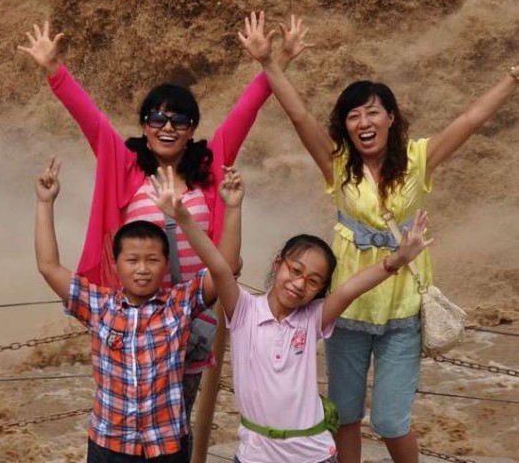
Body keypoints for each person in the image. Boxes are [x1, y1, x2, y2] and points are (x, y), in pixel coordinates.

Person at [238, 10, 519, 463]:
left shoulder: (418, 160)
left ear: (391, 117)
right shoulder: (337, 165)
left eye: (373, 111)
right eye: (353, 115)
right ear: (345, 126)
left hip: (401, 311)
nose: (363, 121)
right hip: (347, 310)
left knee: (390, 420)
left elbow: (470, 119)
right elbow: (299, 115)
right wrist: (269, 63)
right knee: (345, 414)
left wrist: (512, 78)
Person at [18, 19, 307, 420]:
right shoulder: (125, 165)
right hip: (133, 315)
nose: (167, 127)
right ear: (144, 126)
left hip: (191, 312)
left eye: (179, 121)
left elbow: (246, 111)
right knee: (127, 406)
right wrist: (54, 70)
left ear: (192, 130)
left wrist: (275, 63)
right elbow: (91, 118)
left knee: (176, 415)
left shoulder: (211, 165)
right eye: (157, 118)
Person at [152, 164, 433, 463]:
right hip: (254, 455)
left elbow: (351, 288)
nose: (300, 284)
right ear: (277, 264)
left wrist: (398, 259)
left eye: (313, 281)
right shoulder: (244, 309)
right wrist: (211, 211)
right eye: (295, 270)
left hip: (312, 455)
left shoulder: (313, 318)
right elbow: (221, 267)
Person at [33, 157, 240, 463]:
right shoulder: (99, 305)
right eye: (132, 260)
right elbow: (48, 267)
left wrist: (232, 208)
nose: (142, 269)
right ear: (116, 266)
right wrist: (44, 202)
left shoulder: (179, 304)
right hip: (109, 445)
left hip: (167, 445)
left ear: (165, 265)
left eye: (152, 260)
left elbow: (225, 269)